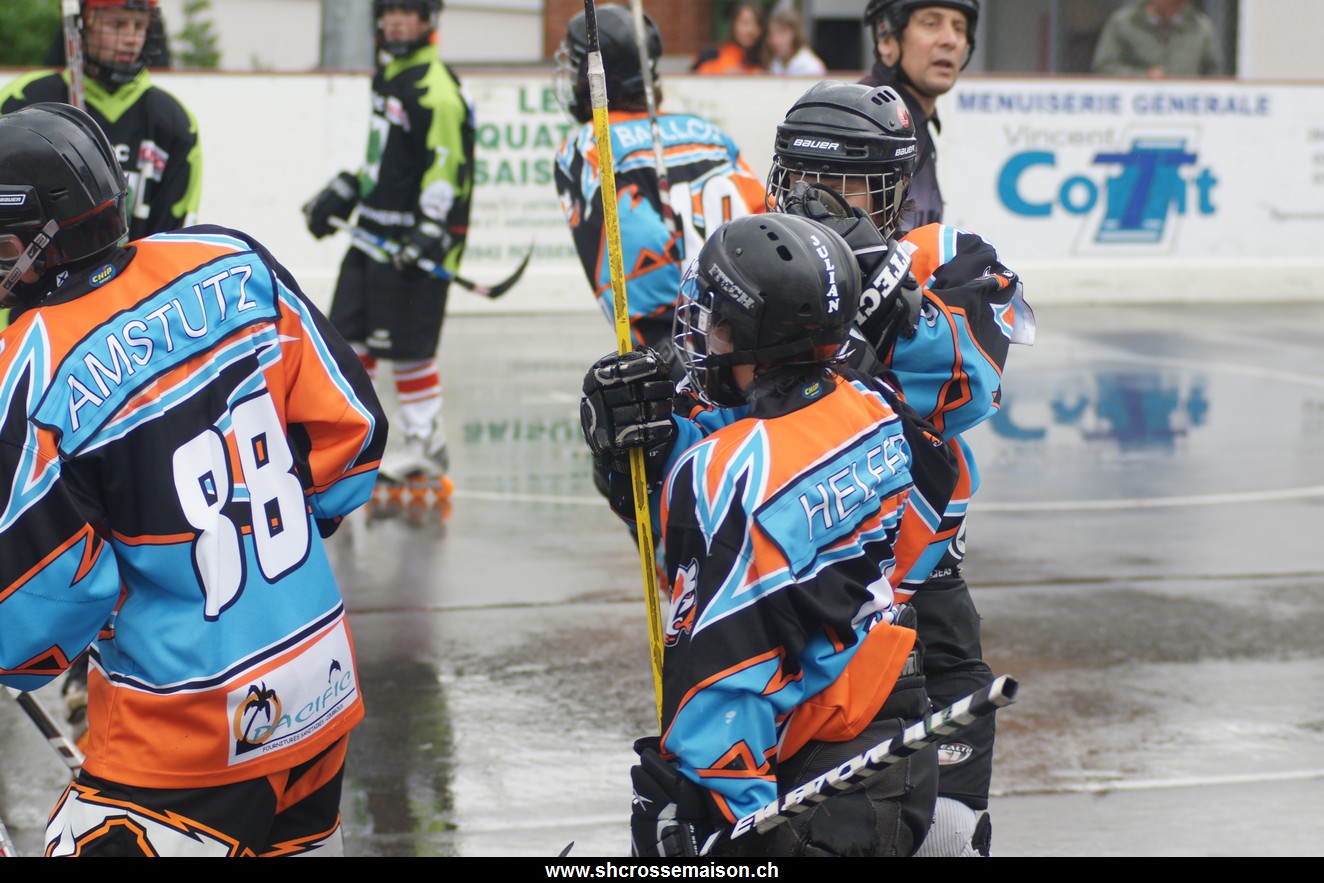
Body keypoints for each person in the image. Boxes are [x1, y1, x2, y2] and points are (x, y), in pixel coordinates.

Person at [0, 102, 387, 856]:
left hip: (188, 734)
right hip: (320, 685)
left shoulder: (29, 362)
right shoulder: (227, 255)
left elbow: (34, 621)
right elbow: (354, 438)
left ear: (35, 241)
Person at [583, 212, 962, 857]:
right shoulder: (871, 405)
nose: (703, 332)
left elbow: (723, 674)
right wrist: (634, 463)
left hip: (796, 784)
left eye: (715, 319)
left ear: (749, 334)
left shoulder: (726, 470)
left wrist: (719, 820)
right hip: (886, 729)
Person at [765, 79, 1036, 857]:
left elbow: (972, 381)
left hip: (921, 599)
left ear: (891, 190)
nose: (820, 200)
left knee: (947, 835)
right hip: (792, 601)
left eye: (847, 182)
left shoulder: (940, 256)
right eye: (808, 180)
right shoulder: (758, 267)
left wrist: (886, 297)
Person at [1, 0, 204, 729]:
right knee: (39, 510)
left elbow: (170, 237)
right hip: (35, 332)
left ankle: (102, 667)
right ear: (82, 27)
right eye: (113, 23)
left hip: (125, 342)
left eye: (136, 25)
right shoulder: (27, 104)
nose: (126, 37)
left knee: (116, 510)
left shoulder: (171, 121)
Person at [303, 0, 473, 489]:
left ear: (428, 20)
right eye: (389, 11)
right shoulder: (389, 75)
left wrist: (433, 230)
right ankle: (352, 437)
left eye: (408, 12)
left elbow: (448, 163)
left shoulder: (436, 88)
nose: (396, 22)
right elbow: (384, 157)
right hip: (372, 237)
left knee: (408, 349)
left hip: (411, 244)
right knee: (346, 340)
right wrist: (352, 187)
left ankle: (426, 444)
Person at [553, 4, 766, 379]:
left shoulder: (591, 146)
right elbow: (768, 223)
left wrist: (677, 365)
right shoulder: (710, 134)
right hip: (763, 342)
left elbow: (640, 264)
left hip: (691, 358)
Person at [859, 0, 977, 234]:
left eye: (959, 28)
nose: (950, 40)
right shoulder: (863, 122)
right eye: (931, 24)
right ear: (886, 39)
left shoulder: (908, 121)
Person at [1091, 0, 1225, 78]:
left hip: (1188, 110)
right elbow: (1104, 67)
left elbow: (1215, 75)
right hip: (1134, 107)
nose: (1174, 8)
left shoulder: (1202, 28)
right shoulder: (1123, 23)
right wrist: (1143, 76)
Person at [691, 2, 769, 75]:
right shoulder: (712, 54)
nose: (750, 30)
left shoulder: (765, 59)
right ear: (733, 25)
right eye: (745, 23)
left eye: (757, 24)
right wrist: (723, 73)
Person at [767, 6, 827, 76]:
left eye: (782, 34)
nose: (774, 40)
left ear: (796, 35)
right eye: (771, 34)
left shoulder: (810, 67)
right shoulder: (775, 64)